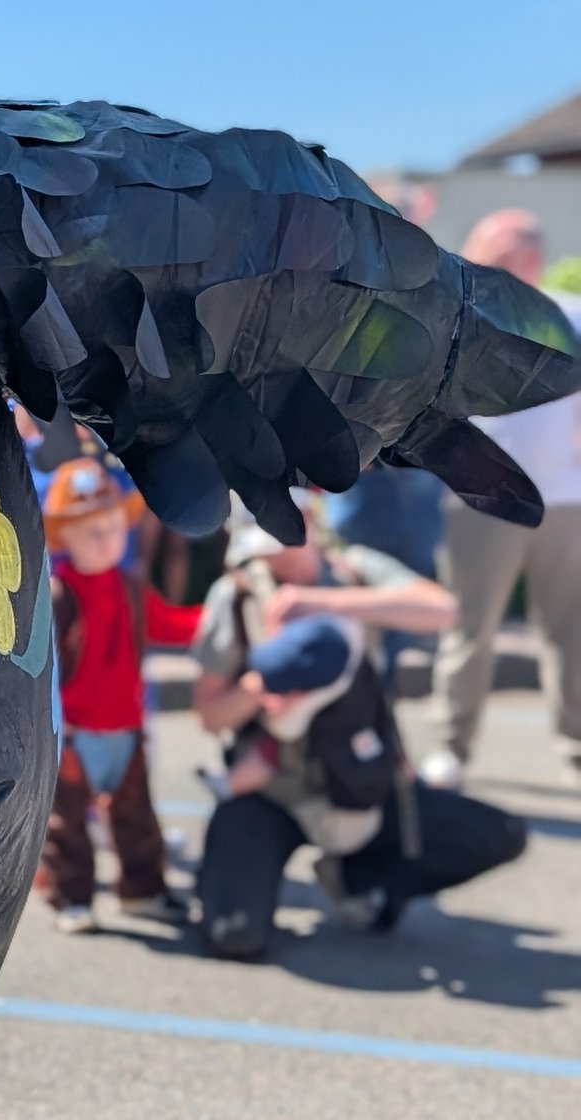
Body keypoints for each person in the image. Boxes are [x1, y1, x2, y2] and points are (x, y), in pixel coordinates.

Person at [191, 512, 521, 958]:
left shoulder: (354, 569)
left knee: (498, 834)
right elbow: (210, 715)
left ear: (308, 522)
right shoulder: (235, 595)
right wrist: (261, 689)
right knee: (233, 934)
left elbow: (442, 611)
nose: (277, 562)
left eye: (283, 544)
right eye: (264, 553)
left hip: (362, 781)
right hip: (273, 789)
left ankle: (355, 876)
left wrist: (321, 604)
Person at [423, 210, 581, 789]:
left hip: (566, 499)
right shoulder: (463, 318)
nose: (478, 261)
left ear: (529, 258)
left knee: (573, 631)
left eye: (493, 252)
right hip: (481, 496)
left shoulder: (571, 316)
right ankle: (452, 745)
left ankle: (577, 748)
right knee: (470, 626)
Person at [33, 456, 196, 932]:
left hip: (126, 729)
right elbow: (42, 669)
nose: (107, 539)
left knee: (136, 819)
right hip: (74, 735)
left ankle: (142, 892)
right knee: (66, 827)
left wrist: (221, 614)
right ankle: (72, 899)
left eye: (112, 527)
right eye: (92, 532)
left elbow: (173, 625)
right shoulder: (57, 596)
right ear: (64, 537)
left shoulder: (131, 587)